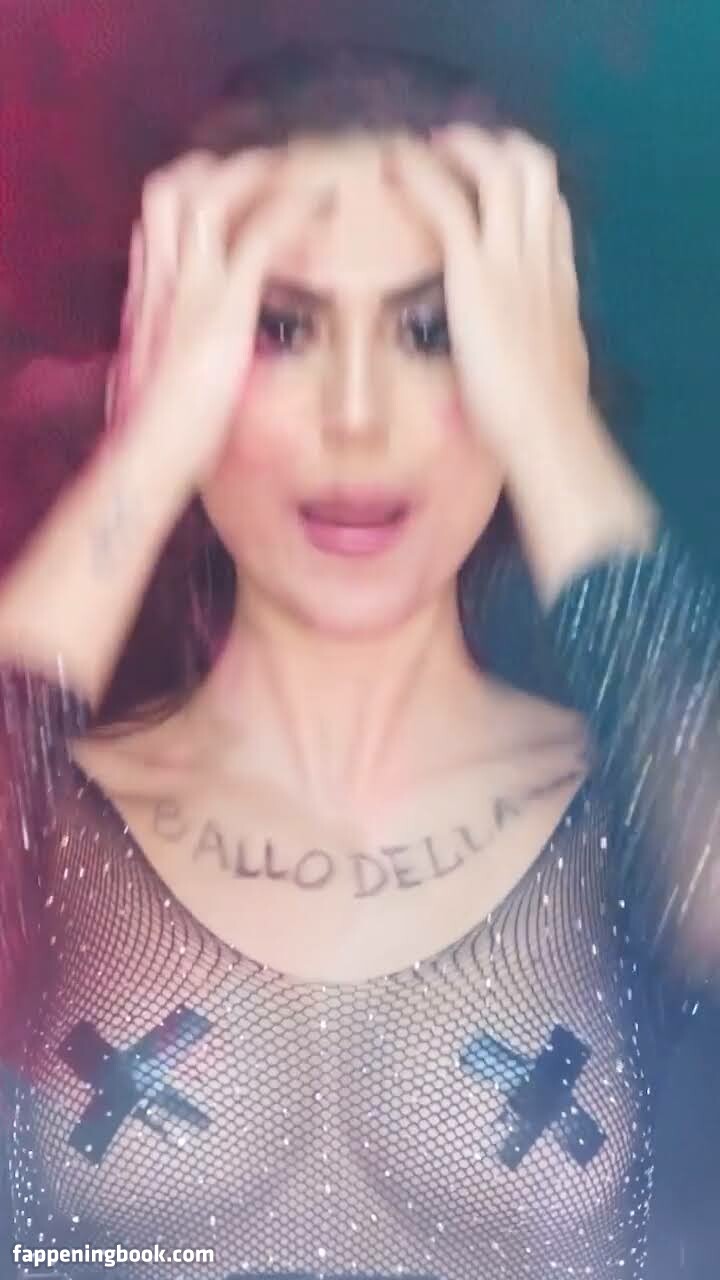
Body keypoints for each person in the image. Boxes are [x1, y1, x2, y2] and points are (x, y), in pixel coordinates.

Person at [1, 42, 719, 1280]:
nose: (355, 413)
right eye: (279, 326)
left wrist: (552, 425)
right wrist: (144, 445)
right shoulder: (53, 821)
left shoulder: (642, 825)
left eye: (434, 329)